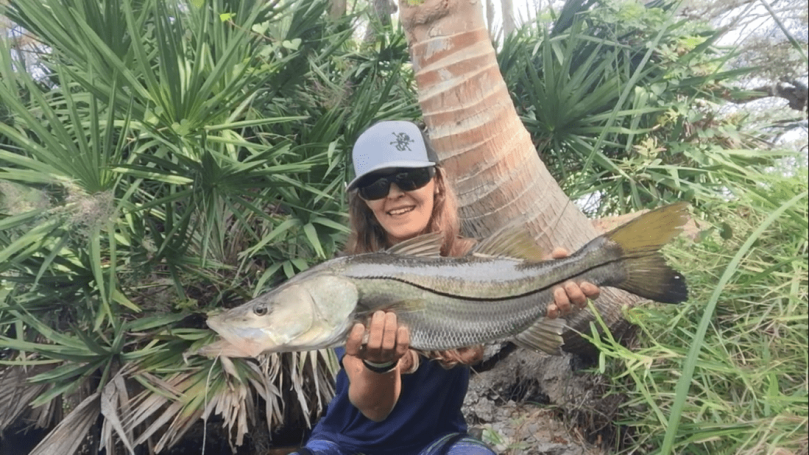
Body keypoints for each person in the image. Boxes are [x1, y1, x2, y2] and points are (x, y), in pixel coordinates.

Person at [292, 121, 601, 455]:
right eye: (376, 185)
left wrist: (555, 281)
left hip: (438, 442)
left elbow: (525, 280)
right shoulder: (348, 281)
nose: (394, 192)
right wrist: (380, 364)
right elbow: (374, 407)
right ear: (365, 202)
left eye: (410, 177)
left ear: (436, 182)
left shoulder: (479, 261)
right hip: (346, 445)